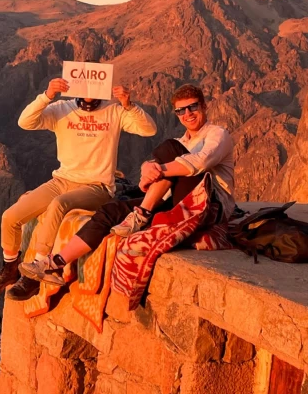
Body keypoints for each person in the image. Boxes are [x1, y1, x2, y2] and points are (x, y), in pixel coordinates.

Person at [19, 84, 235, 286]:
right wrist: (147, 168)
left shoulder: (217, 134)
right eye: (181, 111)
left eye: (193, 107)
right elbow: (162, 175)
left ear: (204, 106)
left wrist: (158, 169)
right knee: (111, 210)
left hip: (210, 205)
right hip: (180, 201)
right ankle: (55, 263)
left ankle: (141, 214)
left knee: (170, 147)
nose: (187, 114)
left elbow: (199, 163)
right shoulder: (185, 141)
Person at [0, 77, 157, 301]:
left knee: (59, 204)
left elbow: (149, 130)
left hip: (97, 185)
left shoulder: (114, 111)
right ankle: (10, 268)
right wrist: (47, 95)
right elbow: (25, 122)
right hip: (62, 180)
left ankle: (39, 270)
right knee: (11, 217)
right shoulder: (61, 109)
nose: (90, 89)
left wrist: (128, 105)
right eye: (85, 81)